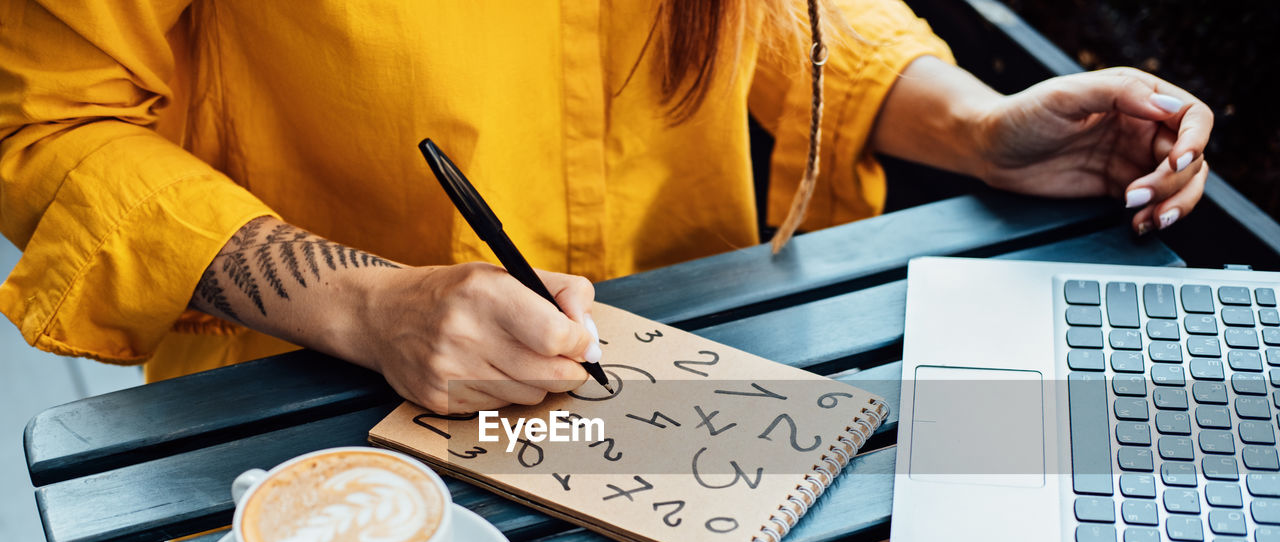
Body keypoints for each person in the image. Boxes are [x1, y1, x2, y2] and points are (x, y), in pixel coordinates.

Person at [0, 1, 1211, 413]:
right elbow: (50, 123)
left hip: (702, 388)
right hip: (326, 425)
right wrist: (372, 307)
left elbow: (766, 21)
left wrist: (973, 127)